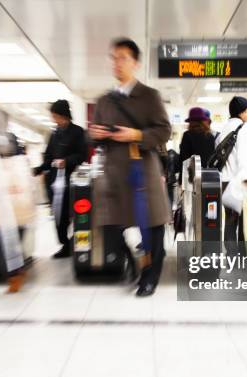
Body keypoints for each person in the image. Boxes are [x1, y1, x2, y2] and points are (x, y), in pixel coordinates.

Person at [89, 38, 171, 297]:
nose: (117, 63)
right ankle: (128, 261)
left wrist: (135, 134)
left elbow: (164, 131)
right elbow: (92, 135)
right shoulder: (104, 101)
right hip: (113, 171)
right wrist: (96, 134)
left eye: (122, 58)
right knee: (109, 222)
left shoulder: (149, 96)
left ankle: (150, 276)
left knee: (151, 225)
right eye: (113, 58)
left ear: (135, 63)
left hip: (141, 168)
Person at [34, 99, 88, 258]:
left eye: (56, 116)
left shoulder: (78, 132)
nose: (54, 119)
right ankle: (64, 244)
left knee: (72, 214)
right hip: (54, 182)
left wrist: (67, 161)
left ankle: (71, 243)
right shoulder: (54, 134)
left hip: (71, 180)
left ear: (64, 115)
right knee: (58, 215)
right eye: (53, 116)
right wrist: (39, 169)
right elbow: (48, 156)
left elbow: (81, 155)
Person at [218, 96, 247, 244]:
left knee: (229, 218)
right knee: (243, 218)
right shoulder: (245, 128)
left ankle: (231, 253)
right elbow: (244, 158)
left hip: (224, 180)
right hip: (240, 180)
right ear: (240, 112)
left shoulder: (223, 129)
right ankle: (242, 252)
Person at [178, 107, 216, 184]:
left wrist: (181, 180)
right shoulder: (210, 136)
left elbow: (183, 158)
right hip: (207, 176)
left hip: (190, 178)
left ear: (191, 121)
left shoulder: (187, 135)